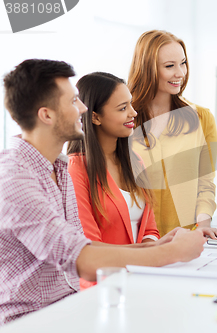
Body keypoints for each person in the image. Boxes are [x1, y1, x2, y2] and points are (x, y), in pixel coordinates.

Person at [0, 59, 205, 324]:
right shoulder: (15, 178)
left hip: (70, 308)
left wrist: (162, 244)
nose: (83, 108)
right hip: (32, 321)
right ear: (47, 115)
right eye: (73, 101)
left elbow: (84, 245)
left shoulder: (58, 168)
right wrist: (173, 253)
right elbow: (81, 258)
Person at [128, 30, 217, 239]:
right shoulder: (124, 119)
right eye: (170, 66)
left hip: (185, 236)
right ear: (147, 69)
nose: (180, 73)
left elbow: (205, 182)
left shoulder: (201, 117)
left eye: (183, 63)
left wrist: (203, 224)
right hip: (135, 238)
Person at [66, 72, 161, 289]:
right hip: (101, 286)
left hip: (138, 279)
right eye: (122, 108)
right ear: (95, 117)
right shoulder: (76, 169)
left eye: (131, 105)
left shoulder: (135, 161)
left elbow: (150, 230)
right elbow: (89, 245)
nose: (133, 113)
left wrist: (152, 251)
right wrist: (155, 254)